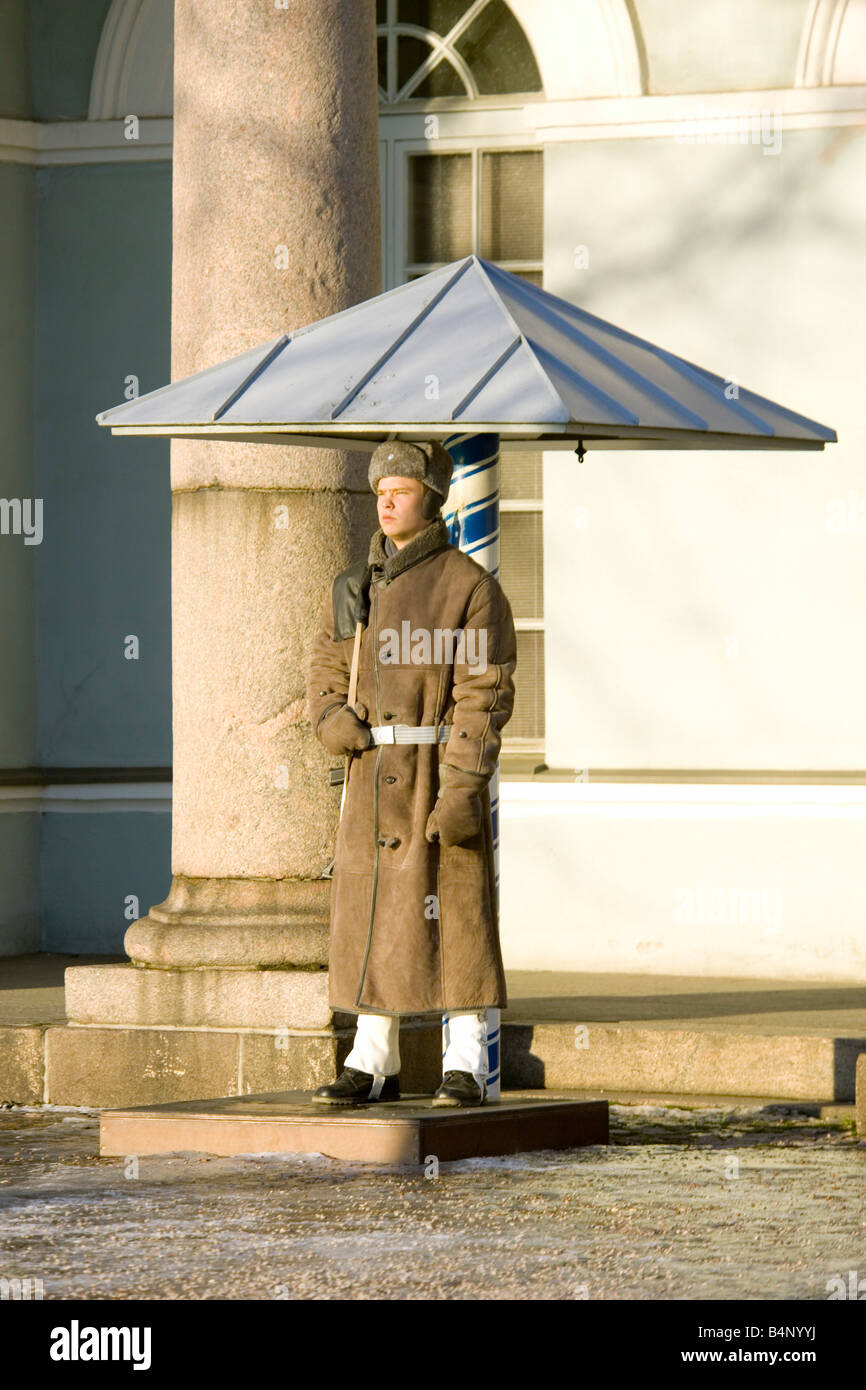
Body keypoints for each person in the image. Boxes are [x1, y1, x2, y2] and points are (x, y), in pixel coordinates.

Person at [305, 440, 517, 1108]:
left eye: (401, 488)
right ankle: (369, 1061)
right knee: (373, 920)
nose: (387, 500)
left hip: (435, 770)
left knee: (458, 920)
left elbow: (483, 697)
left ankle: (465, 1063)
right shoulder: (354, 586)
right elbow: (324, 670)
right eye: (380, 490)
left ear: (431, 496)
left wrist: (461, 786)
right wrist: (333, 719)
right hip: (371, 777)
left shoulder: (470, 587)